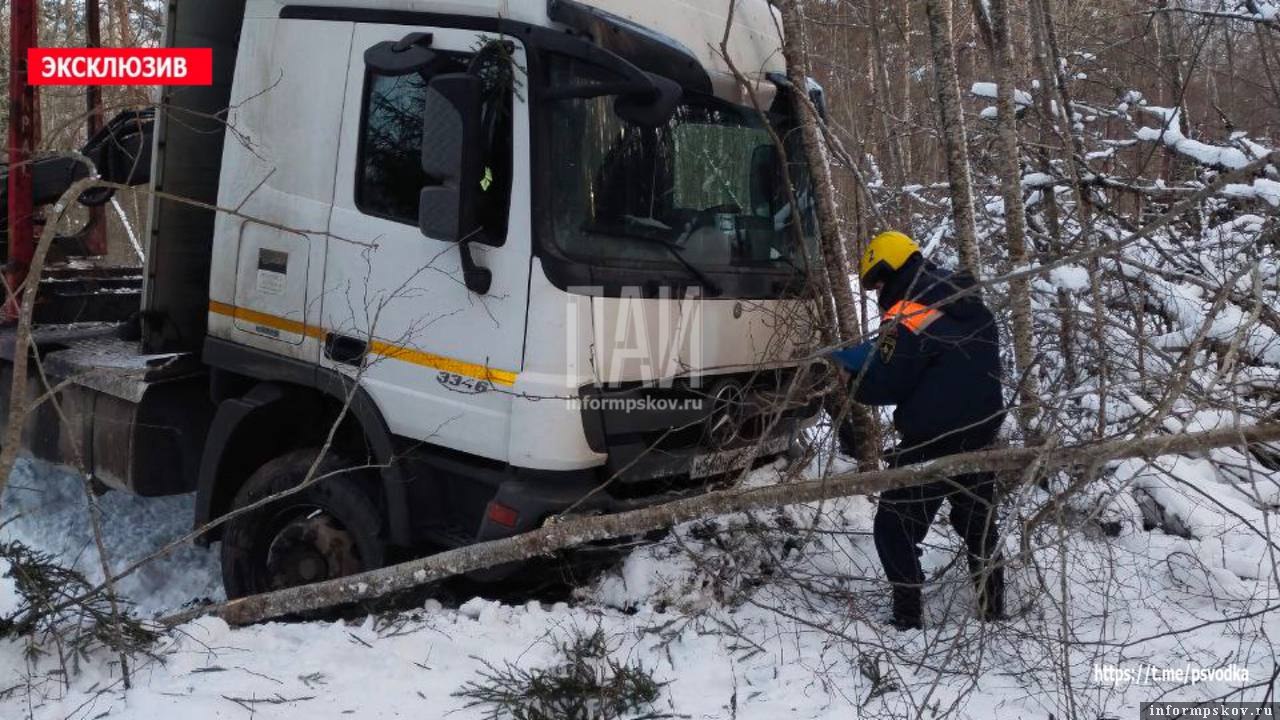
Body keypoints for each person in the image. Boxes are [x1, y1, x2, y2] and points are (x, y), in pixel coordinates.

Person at [830, 230, 1006, 630]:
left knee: (893, 528)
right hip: (982, 432)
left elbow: (888, 383)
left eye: (876, 280)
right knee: (976, 524)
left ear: (889, 268)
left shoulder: (907, 310)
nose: (876, 290)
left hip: (932, 440)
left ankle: (907, 620)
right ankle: (994, 610)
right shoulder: (963, 297)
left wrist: (852, 379)